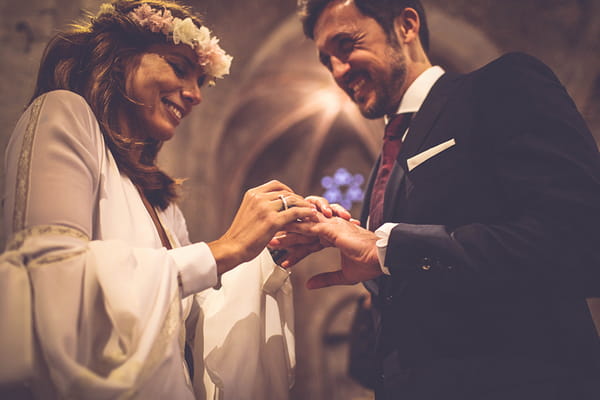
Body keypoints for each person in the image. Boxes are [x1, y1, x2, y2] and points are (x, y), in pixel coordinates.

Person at [271, 0, 600, 398]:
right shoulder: (384, 162)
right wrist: (367, 261)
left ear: (406, 25)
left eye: (347, 44)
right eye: (327, 61)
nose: (339, 71)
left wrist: (389, 250)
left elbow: (582, 240)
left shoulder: (501, 85)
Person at [0, 1, 321, 399]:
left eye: (202, 82)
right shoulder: (64, 115)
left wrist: (261, 254)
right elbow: (50, 283)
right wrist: (225, 247)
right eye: (179, 68)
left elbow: (185, 327)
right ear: (119, 58)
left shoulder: (163, 203)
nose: (196, 96)